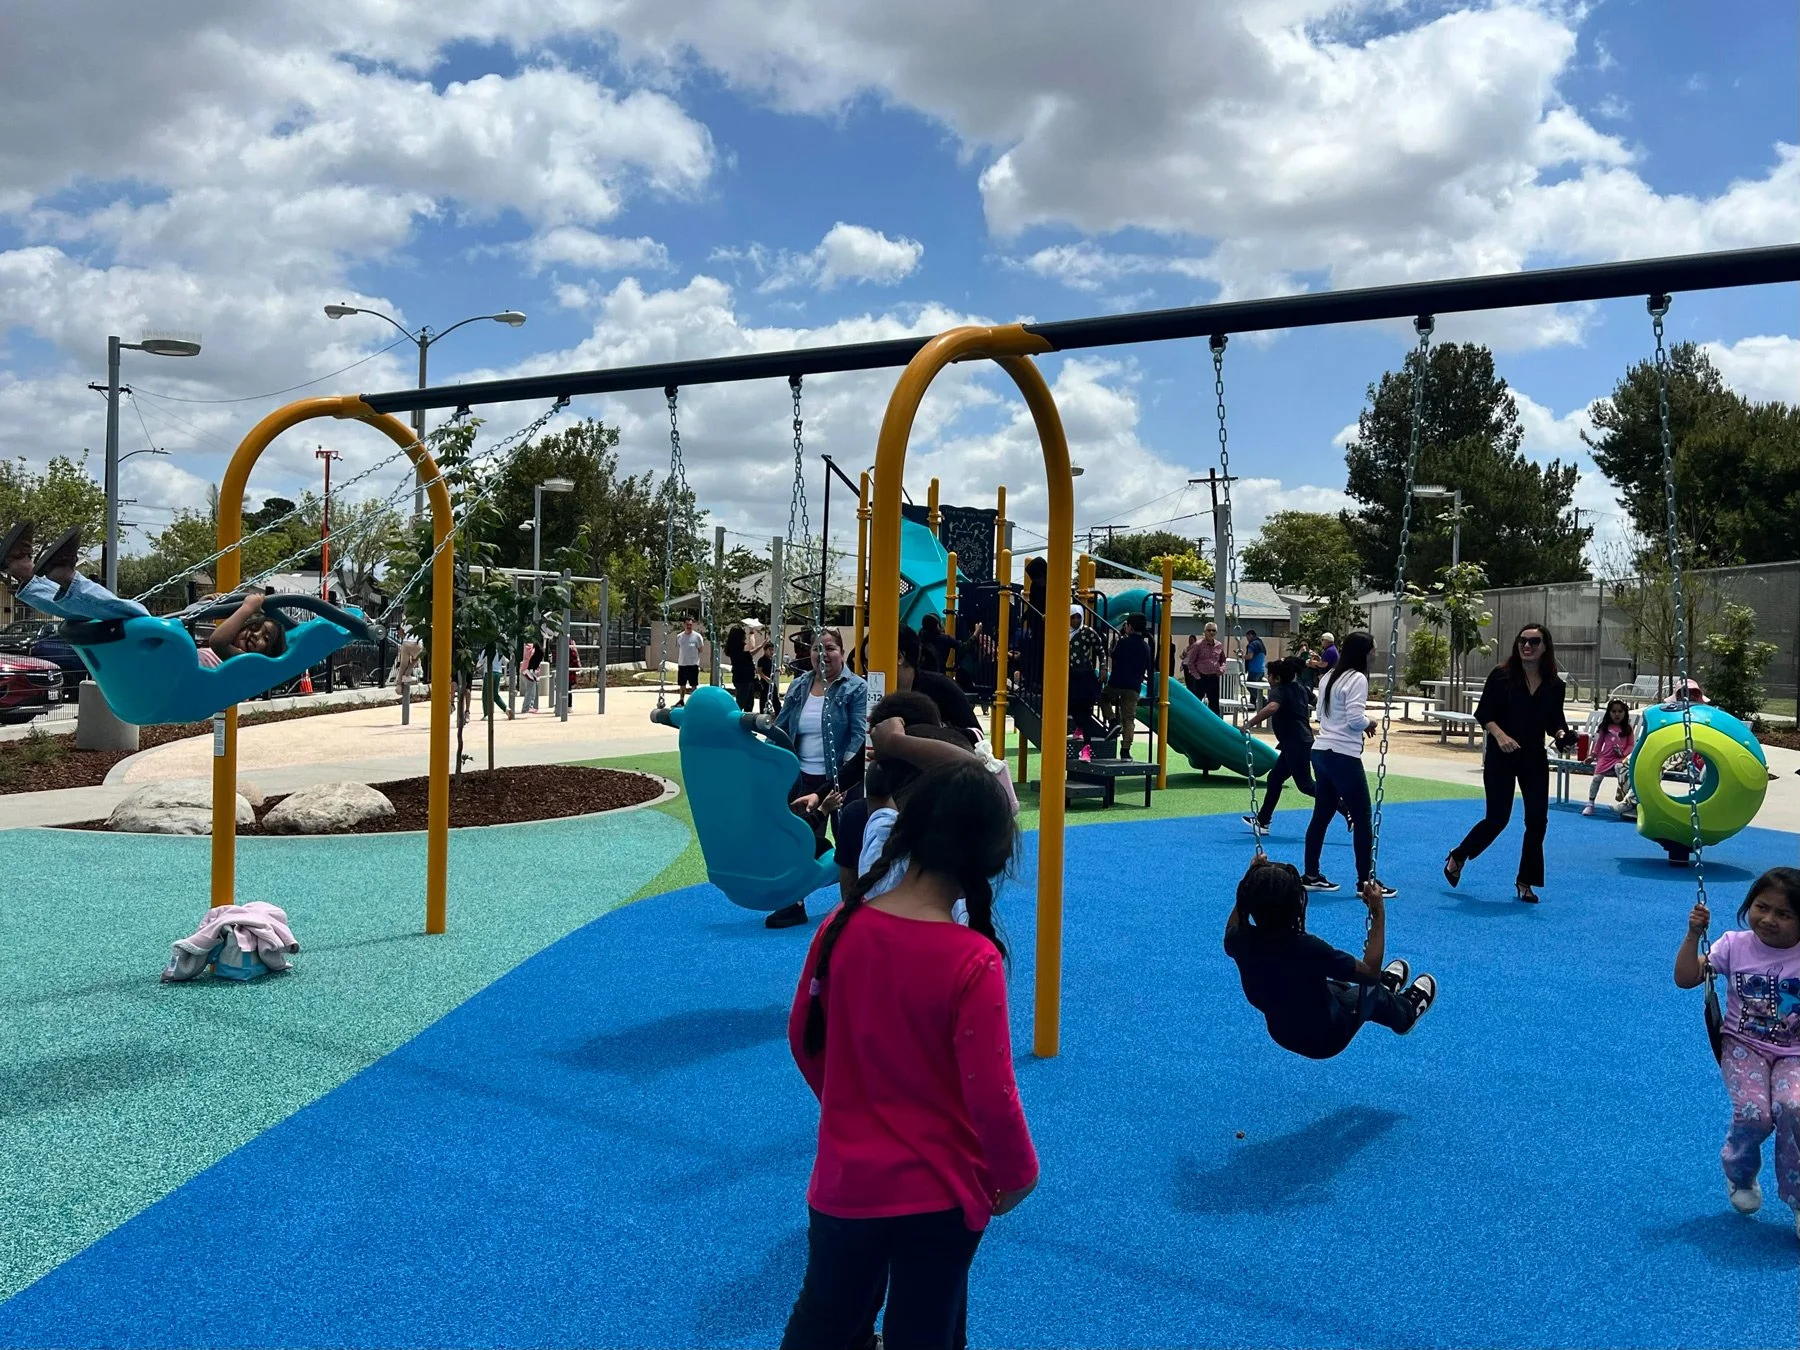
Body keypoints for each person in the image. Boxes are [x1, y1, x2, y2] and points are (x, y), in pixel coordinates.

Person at [782, 760, 1037, 1350]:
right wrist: (1018, 1174)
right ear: (991, 859)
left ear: (907, 828)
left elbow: (804, 1038)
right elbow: (990, 1093)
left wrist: (848, 1104)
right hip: (941, 1191)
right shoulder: (971, 959)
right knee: (927, 1331)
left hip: (848, 1181)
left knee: (823, 1322)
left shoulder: (840, 928)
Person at [1674, 868, 1800, 1234]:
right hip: (1743, 1046)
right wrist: (1693, 934)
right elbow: (1685, 978)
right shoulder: (1734, 944)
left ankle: (1798, 1198)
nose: (1769, 919)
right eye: (1761, 907)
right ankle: (1740, 1175)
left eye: (1784, 914)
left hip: (1794, 1052)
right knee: (1754, 1115)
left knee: (1793, 1108)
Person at [1223, 856, 1437, 1060]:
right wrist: (1378, 913)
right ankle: (1406, 1013)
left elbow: (1233, 924)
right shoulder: (1309, 949)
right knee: (1371, 993)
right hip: (1326, 1039)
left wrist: (1251, 873)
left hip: (1281, 1032)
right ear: (1296, 904)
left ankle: (1386, 991)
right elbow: (1370, 973)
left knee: (1339, 987)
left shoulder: (1239, 939)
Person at [4, 523, 286, 665]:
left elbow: (219, 639)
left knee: (139, 615)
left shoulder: (246, 663)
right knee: (85, 612)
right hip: (156, 664)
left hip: (162, 673)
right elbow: (190, 629)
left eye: (265, 640)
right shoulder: (221, 652)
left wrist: (249, 607)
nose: (256, 637)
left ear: (269, 654)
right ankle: (24, 572)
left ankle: (63, 573)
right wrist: (202, 606)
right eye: (258, 629)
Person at [1443, 624, 1576, 904]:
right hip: (1501, 755)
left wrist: (1563, 735)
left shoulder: (1555, 685)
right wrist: (1501, 736)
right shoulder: (1501, 676)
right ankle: (1458, 855)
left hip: (1533, 757)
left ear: (1545, 647)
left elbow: (1555, 722)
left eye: (1534, 642)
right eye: (1522, 641)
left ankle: (1525, 881)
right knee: (1498, 818)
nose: (1527, 646)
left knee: (1537, 820)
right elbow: (1484, 713)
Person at [768, 628, 868, 930]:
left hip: (839, 778)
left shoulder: (854, 688)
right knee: (798, 841)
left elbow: (858, 735)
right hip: (801, 778)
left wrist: (841, 780)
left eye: (829, 648)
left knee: (849, 840)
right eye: (816, 649)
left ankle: (855, 905)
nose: (822, 654)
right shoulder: (799, 686)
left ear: (841, 651)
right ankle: (794, 902)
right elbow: (782, 729)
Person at [1302, 631, 1390, 897]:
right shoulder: (1358, 678)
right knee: (1362, 817)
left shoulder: (1329, 676)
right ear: (1364, 652)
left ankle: (1311, 874)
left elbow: (1321, 713)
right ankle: (1366, 882)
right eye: (1373, 649)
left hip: (1321, 751)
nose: (1375, 654)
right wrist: (1370, 722)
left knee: (1322, 814)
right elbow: (1354, 718)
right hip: (1343, 755)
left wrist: (1354, 724)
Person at [1242, 657, 1314, 834]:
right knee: (1274, 778)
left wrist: (1249, 723)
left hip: (1295, 743)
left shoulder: (1279, 690)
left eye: (1269, 676)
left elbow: (1272, 707)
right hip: (1298, 742)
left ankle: (1345, 807)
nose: (1268, 679)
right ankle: (1263, 821)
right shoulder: (1300, 688)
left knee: (1305, 785)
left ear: (1277, 678)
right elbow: (1314, 699)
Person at [895, 625, 984, 746]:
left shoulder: (941, 688)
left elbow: (977, 735)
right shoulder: (873, 690)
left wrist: (936, 731)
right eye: (865, 662)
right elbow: (962, 647)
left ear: (900, 657)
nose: (868, 670)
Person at [1101, 613, 1152, 757]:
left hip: (1117, 682)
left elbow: (1114, 656)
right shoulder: (1146, 647)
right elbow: (1148, 666)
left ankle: (1112, 721)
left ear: (1129, 626)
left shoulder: (1123, 642)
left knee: (1103, 698)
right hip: (1134, 686)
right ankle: (1125, 751)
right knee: (1129, 718)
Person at [1067, 605, 1109, 759]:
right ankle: (1079, 727)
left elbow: (1100, 649)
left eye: (1078, 617)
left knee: (1086, 709)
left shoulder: (1087, 632)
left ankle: (1086, 747)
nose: (1076, 620)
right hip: (1069, 675)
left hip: (1085, 675)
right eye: (1073, 617)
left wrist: (1103, 667)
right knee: (1072, 705)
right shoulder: (1063, 632)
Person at [1583, 698, 1635, 816]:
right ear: (1609, 712)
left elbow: (1631, 744)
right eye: (1614, 711)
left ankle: (1627, 803)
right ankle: (1590, 803)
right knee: (1597, 778)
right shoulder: (1605, 727)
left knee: (1621, 769)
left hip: (1620, 758)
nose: (1617, 714)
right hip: (1605, 758)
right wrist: (1593, 755)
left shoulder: (1627, 728)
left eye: (1620, 711)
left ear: (1625, 713)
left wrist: (1623, 753)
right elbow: (1599, 743)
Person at [1186, 621, 1226, 716]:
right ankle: (1195, 721)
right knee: (1197, 703)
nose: (1211, 632)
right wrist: (1196, 675)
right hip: (1201, 678)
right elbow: (1190, 662)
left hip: (1214, 678)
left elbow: (1223, 660)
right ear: (1204, 632)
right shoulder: (1197, 645)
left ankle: (1215, 725)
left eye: (1214, 630)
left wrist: (1222, 669)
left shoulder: (1219, 645)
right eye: (1209, 630)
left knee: (1214, 703)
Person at [725, 624, 759, 713]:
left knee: (746, 701)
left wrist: (762, 645)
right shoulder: (739, 646)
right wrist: (751, 632)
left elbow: (750, 652)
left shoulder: (733, 648)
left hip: (743, 677)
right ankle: (738, 719)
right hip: (744, 678)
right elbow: (752, 645)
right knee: (743, 702)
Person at [674, 614, 703, 707]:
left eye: (690, 624)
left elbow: (700, 649)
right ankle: (681, 700)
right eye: (687, 624)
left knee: (693, 684)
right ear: (684, 625)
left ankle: (693, 702)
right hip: (682, 664)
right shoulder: (679, 637)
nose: (689, 626)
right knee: (682, 684)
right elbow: (679, 647)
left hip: (693, 664)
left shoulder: (697, 637)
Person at [1244, 628, 1267, 707]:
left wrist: (1241, 657)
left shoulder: (1252, 644)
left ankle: (1264, 701)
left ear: (1251, 635)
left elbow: (1250, 656)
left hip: (1254, 669)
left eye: (1247, 637)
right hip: (1261, 670)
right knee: (1256, 687)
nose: (1247, 639)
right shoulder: (1261, 644)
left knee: (1250, 687)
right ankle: (1252, 704)